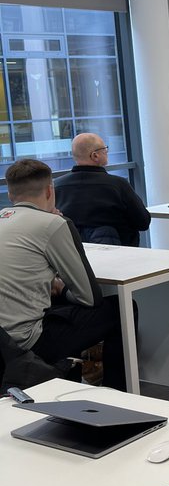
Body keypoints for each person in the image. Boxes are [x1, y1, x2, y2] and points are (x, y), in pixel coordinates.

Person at [0, 159, 126, 389]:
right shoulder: (53, 223)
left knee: (64, 313)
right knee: (120, 310)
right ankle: (117, 392)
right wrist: (60, 288)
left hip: (3, 340)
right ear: (50, 190)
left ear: (10, 194)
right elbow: (89, 296)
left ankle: (71, 376)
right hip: (25, 341)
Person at [53, 133, 151, 246]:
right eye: (104, 149)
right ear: (95, 156)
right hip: (120, 256)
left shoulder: (57, 186)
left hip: (75, 258)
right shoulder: (118, 185)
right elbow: (143, 222)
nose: (106, 152)